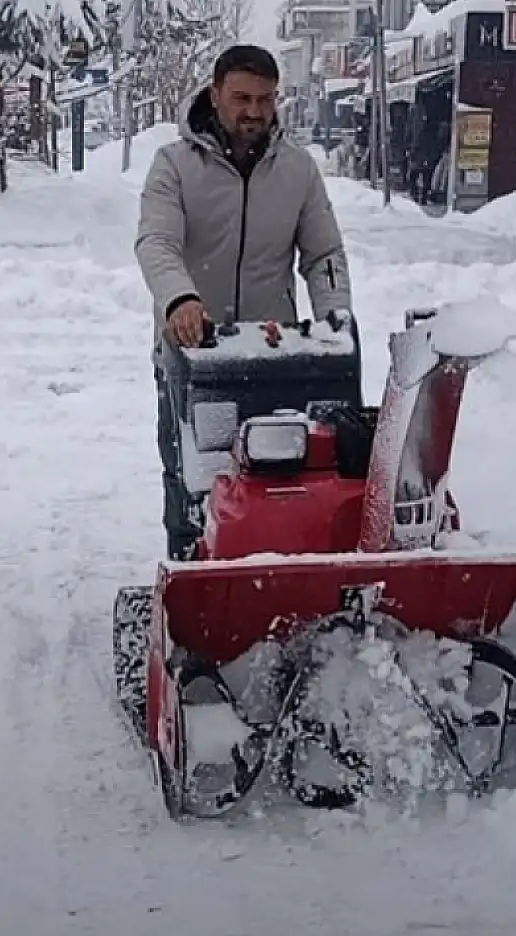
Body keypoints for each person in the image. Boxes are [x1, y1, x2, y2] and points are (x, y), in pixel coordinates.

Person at [134, 43, 353, 559]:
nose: (253, 111)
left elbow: (323, 253)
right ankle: (190, 587)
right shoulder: (174, 166)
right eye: (241, 98)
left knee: (282, 482)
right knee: (194, 483)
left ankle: (277, 587)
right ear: (215, 94)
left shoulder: (297, 171)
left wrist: (335, 319)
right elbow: (156, 243)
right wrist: (179, 300)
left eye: (264, 99)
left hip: (276, 356)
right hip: (194, 355)